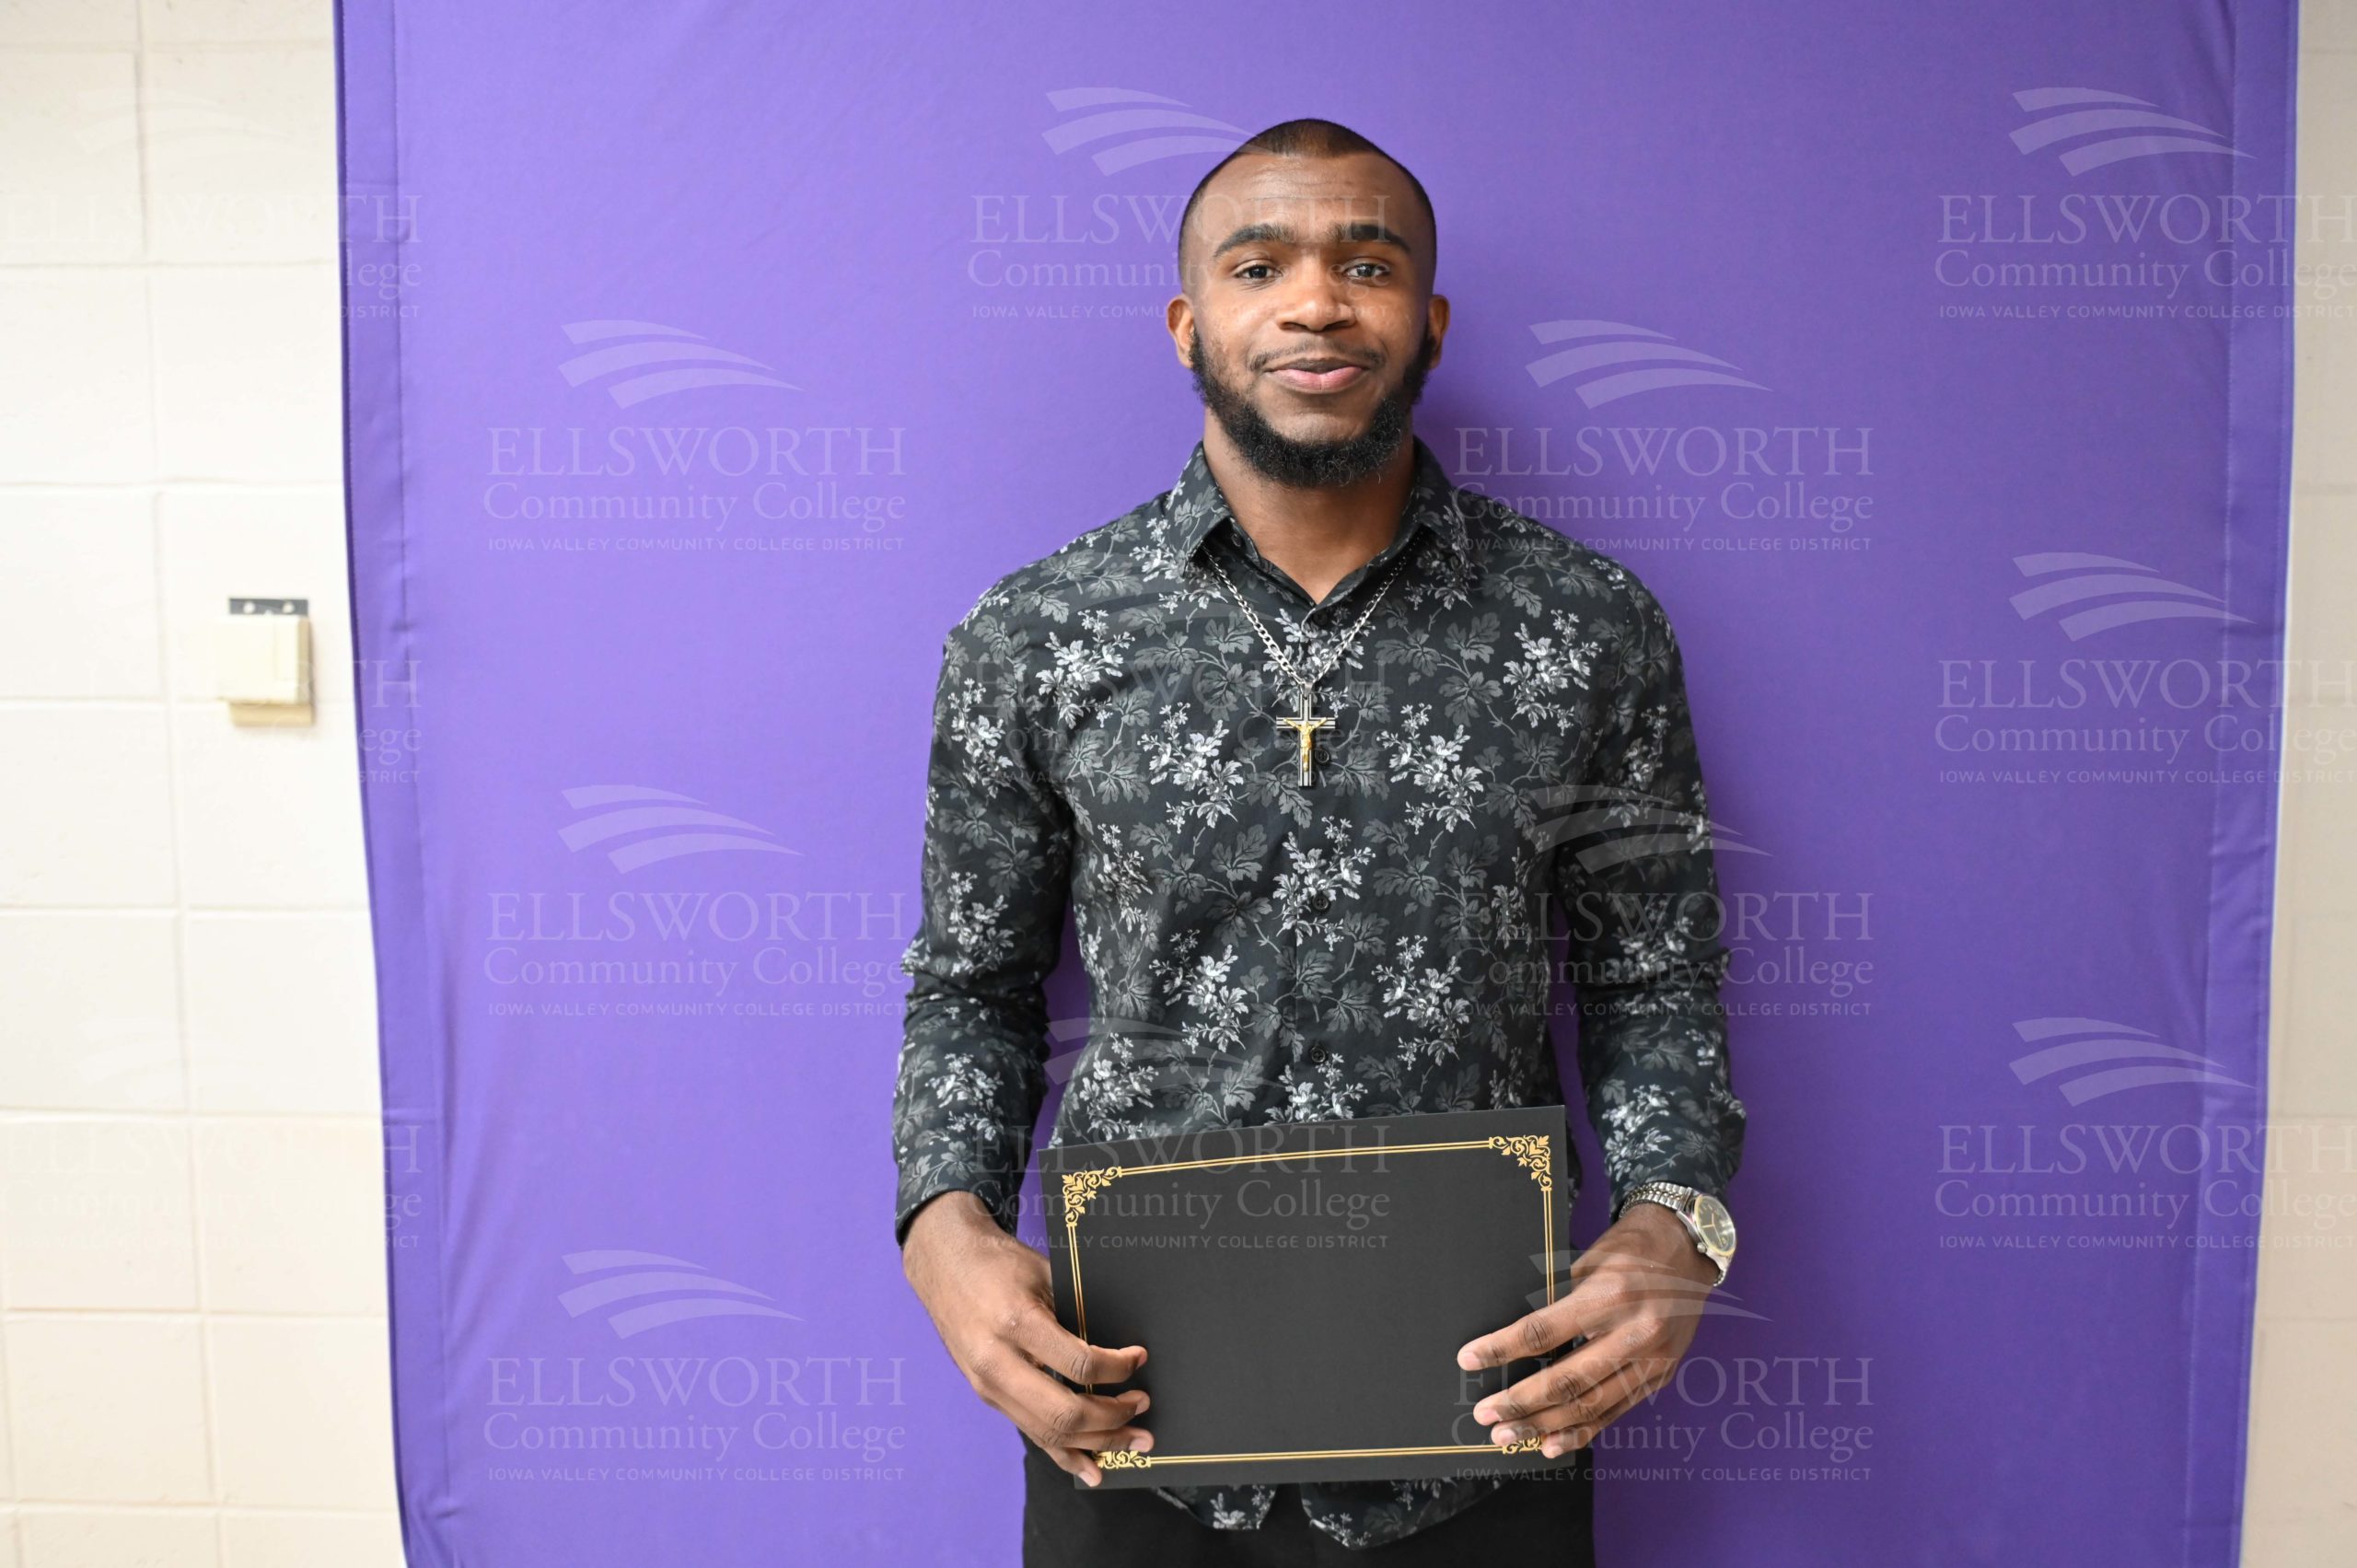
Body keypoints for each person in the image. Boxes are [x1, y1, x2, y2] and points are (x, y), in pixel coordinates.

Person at [892, 117, 1746, 1564]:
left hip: (1488, 1421)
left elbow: (1653, 979)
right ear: (1188, 325)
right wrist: (942, 1228)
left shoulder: (1588, 628)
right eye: (1258, 264)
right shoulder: (1034, 635)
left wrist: (1678, 1225)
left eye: (1368, 263)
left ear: (1430, 322)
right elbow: (972, 983)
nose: (1316, 302)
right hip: (1131, 1426)